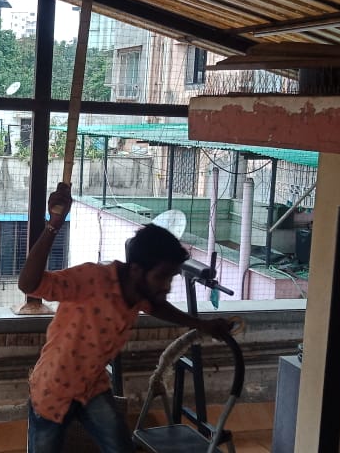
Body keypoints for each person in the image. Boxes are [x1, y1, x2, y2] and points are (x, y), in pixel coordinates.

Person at [18, 183, 234, 453]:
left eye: (170, 278)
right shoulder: (91, 279)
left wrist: (202, 325)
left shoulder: (138, 292)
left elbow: (158, 307)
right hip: (53, 391)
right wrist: (54, 224)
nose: (166, 286)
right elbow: (29, 284)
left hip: (92, 388)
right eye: (162, 277)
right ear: (136, 271)